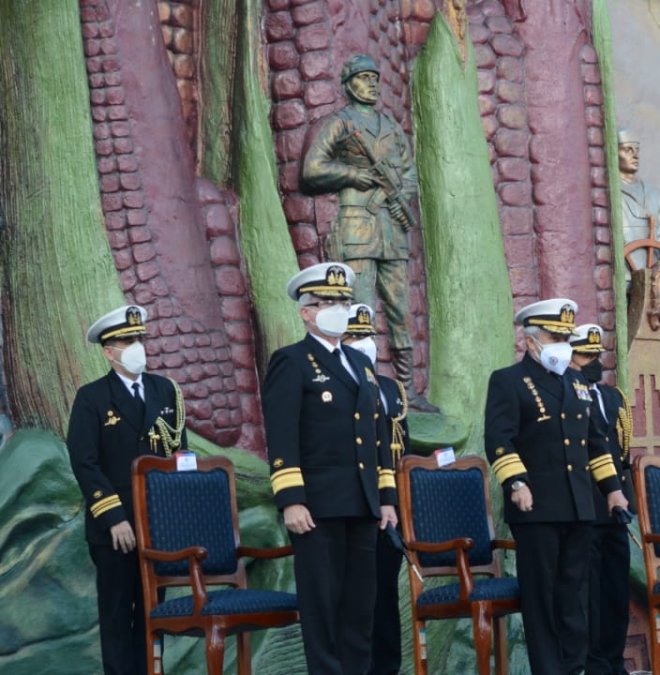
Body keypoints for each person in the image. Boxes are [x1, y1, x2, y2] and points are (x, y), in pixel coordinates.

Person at [262, 262, 398, 674]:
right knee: (323, 608)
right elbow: (282, 436)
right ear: (306, 312)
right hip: (316, 506)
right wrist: (291, 499)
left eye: (342, 300)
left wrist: (386, 497)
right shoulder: (292, 361)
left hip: (362, 503)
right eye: (326, 302)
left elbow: (377, 436)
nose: (337, 308)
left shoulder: (360, 366)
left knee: (360, 608)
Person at [485, 299, 629, 675]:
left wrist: (612, 490)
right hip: (537, 507)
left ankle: (575, 666)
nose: (563, 344)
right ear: (531, 341)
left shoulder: (577, 382)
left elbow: (596, 443)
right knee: (543, 597)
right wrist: (516, 482)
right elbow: (499, 440)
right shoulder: (508, 381)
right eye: (555, 336)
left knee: (575, 593)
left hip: (580, 505)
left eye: (566, 336)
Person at [301, 55, 432, 411]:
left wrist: (398, 197)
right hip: (357, 224)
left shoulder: (389, 126)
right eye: (363, 77)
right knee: (359, 307)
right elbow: (312, 170)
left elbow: (408, 175)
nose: (372, 83)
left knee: (400, 309)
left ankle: (407, 390)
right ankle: (362, 382)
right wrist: (352, 176)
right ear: (348, 85)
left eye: (375, 77)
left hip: (391, 228)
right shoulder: (339, 124)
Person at [67, 304, 188, 675]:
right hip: (116, 530)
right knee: (119, 618)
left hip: (157, 526)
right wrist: (115, 518)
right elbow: (84, 463)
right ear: (108, 351)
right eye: (127, 340)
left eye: (140, 338)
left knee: (155, 615)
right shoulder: (92, 398)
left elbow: (179, 452)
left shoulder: (165, 390)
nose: (137, 346)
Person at [344, 303, 412, 675]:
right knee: (356, 597)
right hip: (353, 501)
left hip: (389, 504)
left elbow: (402, 442)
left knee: (385, 593)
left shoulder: (390, 388)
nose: (364, 344)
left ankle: (388, 667)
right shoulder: (339, 387)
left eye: (368, 336)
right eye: (355, 336)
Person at [569, 323, 634, 675]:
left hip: (616, 508)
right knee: (588, 593)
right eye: (585, 354)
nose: (593, 361)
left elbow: (621, 452)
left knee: (615, 588)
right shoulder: (566, 393)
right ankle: (593, 663)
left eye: (597, 354)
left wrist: (623, 496)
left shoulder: (612, 396)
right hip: (586, 505)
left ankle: (613, 659)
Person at [617, 129, 660, 269]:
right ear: (614, 153)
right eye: (628, 150)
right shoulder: (608, 193)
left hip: (652, 279)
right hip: (622, 278)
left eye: (637, 150)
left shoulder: (652, 194)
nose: (635, 155)